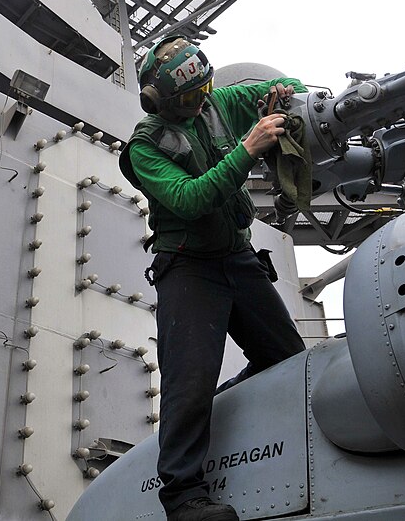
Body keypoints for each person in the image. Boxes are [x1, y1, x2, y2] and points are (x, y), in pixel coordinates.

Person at [118, 36, 307, 521]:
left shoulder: (218, 102)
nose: (201, 101)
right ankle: (183, 498)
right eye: (188, 97)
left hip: (237, 257)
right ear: (158, 101)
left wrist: (285, 94)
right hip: (188, 266)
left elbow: (284, 86)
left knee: (287, 359)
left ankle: (230, 408)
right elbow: (189, 198)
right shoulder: (144, 147)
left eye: (203, 89)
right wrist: (248, 148)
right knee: (188, 382)